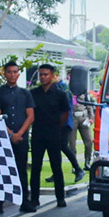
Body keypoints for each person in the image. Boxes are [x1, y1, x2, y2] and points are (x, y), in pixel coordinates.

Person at [0, 60, 35, 215]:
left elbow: (30, 116)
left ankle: (24, 201)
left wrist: (19, 134)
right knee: (2, 169)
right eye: (9, 72)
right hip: (4, 137)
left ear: (19, 74)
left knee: (21, 170)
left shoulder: (25, 93)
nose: (12, 75)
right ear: (4, 74)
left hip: (21, 137)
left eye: (15, 72)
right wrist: (10, 134)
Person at [30, 64, 70, 208]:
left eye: (46, 74)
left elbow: (65, 112)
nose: (43, 77)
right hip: (38, 134)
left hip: (54, 134)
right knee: (36, 167)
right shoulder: (33, 93)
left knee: (56, 166)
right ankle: (34, 198)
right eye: (41, 74)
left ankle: (60, 197)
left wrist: (57, 125)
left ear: (52, 76)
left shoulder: (60, 94)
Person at [70, 87, 94, 171]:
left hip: (83, 117)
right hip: (72, 117)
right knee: (72, 144)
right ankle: (74, 165)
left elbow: (89, 104)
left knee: (89, 142)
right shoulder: (69, 91)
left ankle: (87, 162)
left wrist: (91, 117)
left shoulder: (84, 91)